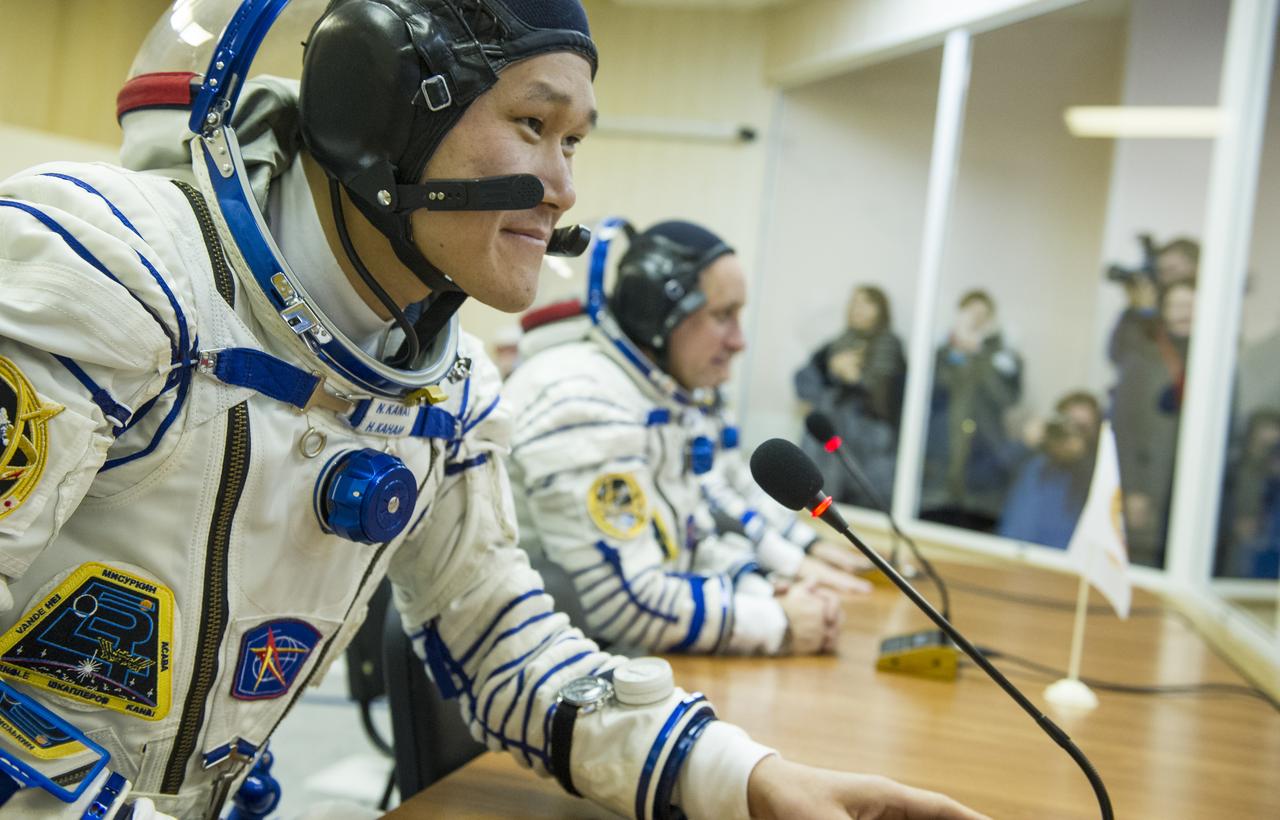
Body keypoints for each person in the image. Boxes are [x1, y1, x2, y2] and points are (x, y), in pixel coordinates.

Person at [0, 2, 986, 819]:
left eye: (573, 141)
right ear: (373, 112)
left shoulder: (447, 388)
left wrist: (747, 779)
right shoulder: (115, 274)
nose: (562, 187)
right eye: (532, 125)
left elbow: (499, 639)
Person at [504, 219, 869, 662]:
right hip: (559, 666)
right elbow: (621, 602)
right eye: (723, 315)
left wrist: (764, 586)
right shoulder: (581, 398)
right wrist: (778, 622)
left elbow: (687, 543)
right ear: (658, 315)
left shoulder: (647, 392)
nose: (739, 341)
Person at [794, 285, 906, 507]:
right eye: (854, 303)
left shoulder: (889, 346)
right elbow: (803, 379)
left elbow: (888, 399)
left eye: (866, 303)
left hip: (871, 450)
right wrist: (833, 371)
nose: (858, 309)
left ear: (881, 310)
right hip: (832, 446)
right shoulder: (837, 344)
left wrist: (855, 379)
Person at [921, 290, 1023, 532]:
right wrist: (957, 353)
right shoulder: (941, 354)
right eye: (971, 313)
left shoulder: (1005, 358)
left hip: (983, 478)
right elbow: (931, 393)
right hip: (937, 475)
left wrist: (980, 356)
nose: (976, 320)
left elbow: (1006, 399)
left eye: (982, 315)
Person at [1112, 278, 1196, 567]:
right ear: (1164, 311)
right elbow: (1124, 427)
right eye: (1176, 305)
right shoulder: (1142, 357)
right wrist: (1133, 488)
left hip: (1191, 484)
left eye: (1190, 305)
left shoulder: (1212, 358)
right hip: (1149, 482)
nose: (1184, 313)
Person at [997, 391, 1102, 549]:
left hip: (1054, 560)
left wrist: (1082, 458)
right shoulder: (1031, 460)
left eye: (1082, 428)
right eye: (1067, 423)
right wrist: (1025, 443)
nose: (1072, 432)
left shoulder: (1095, 479)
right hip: (1005, 554)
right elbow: (985, 477)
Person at [1215, 408, 1280, 578]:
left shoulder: (1273, 477)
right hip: (1232, 553)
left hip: (1265, 552)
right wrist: (1233, 524)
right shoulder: (1232, 471)